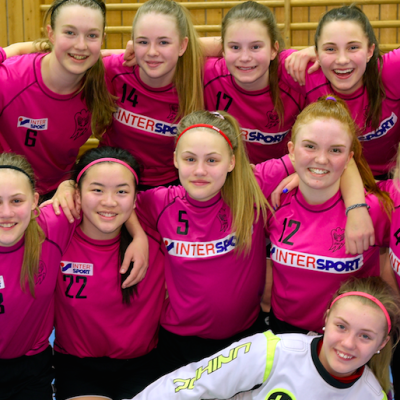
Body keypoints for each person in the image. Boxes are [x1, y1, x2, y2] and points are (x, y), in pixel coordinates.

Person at [127, 276, 399, 400]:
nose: (348, 343)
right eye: (341, 326)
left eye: (365, 336)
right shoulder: (273, 351)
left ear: (382, 344)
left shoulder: (371, 395)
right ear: (326, 320)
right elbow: (188, 386)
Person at [266, 95, 393, 336]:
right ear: (292, 151)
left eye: (335, 150)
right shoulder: (275, 199)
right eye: (310, 146)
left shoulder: (373, 209)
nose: (321, 159)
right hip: (283, 332)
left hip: (347, 340)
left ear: (349, 159)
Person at [53, 147, 165, 400]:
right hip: (77, 367)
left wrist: (139, 235)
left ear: (135, 200)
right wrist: (63, 186)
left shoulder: (157, 237)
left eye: (122, 192)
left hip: (144, 366)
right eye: (97, 190)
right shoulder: (57, 235)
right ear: (77, 194)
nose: (109, 202)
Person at [0, 0, 115, 199]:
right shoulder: (9, 80)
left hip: (60, 193)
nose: (81, 45)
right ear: (51, 34)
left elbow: (151, 58)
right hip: (7, 193)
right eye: (70, 32)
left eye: (92, 35)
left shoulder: (106, 82)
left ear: (102, 39)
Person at [282, 5, 400, 179]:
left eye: (353, 47)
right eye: (331, 49)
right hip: (332, 177)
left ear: (369, 51)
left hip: (388, 178)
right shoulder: (307, 73)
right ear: (317, 54)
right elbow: (258, 57)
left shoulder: (390, 70)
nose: (342, 60)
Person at [100, 0, 204, 189]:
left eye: (163, 42)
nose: (152, 52)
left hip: (170, 185)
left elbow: (235, 44)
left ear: (182, 46)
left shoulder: (201, 78)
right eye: (143, 42)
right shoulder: (113, 69)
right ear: (132, 43)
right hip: (113, 177)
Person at [0, 152, 78, 399]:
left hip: (31, 369)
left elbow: (109, 198)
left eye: (16, 201)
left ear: (34, 200)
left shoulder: (52, 227)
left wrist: (69, 184)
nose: (6, 213)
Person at [204, 1, 305, 164]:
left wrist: (316, 51)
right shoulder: (208, 74)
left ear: (274, 50)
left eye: (256, 47)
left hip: (283, 175)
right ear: (222, 50)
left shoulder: (296, 79)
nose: (245, 57)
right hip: (226, 175)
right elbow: (176, 47)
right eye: (235, 47)